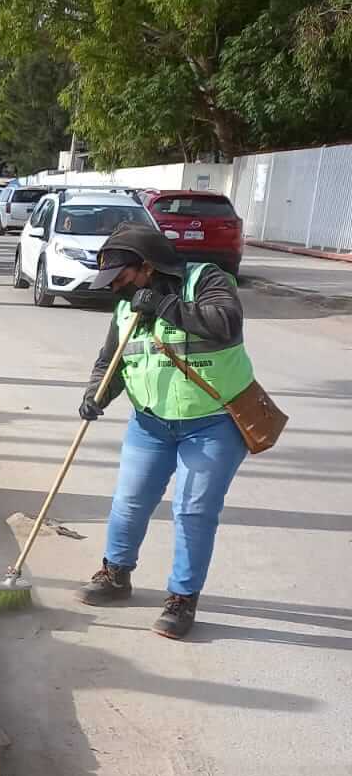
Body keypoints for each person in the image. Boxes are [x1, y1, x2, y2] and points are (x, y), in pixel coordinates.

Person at [75, 223, 254, 639]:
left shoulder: (205, 279)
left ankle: (182, 598)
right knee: (129, 501)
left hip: (213, 421)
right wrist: (95, 395)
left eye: (121, 278)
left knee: (193, 512)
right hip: (150, 422)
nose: (114, 288)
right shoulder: (126, 304)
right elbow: (112, 360)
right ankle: (116, 574)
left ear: (148, 267)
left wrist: (164, 306)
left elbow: (225, 321)